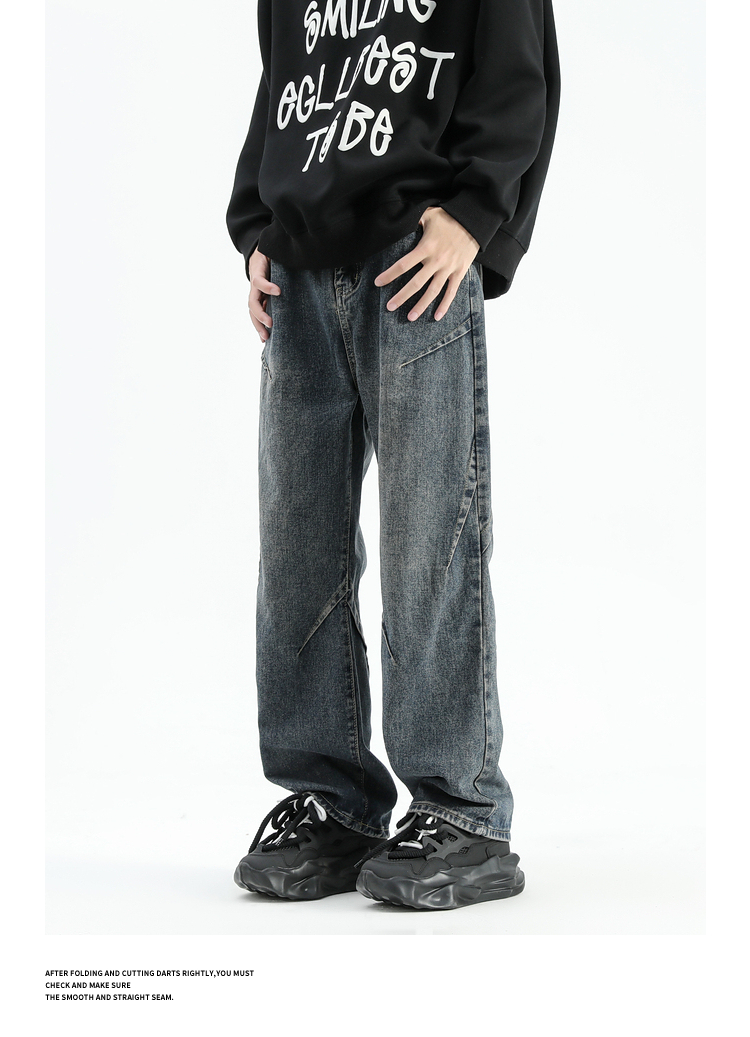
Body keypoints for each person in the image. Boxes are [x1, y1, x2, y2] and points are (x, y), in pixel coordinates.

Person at [226, 0, 560, 911]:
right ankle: (332, 800)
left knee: (430, 542)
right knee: (297, 548)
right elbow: (283, 83)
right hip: (298, 267)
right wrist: (257, 224)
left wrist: (476, 213)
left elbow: (522, 68)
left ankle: (462, 811)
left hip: (416, 261)